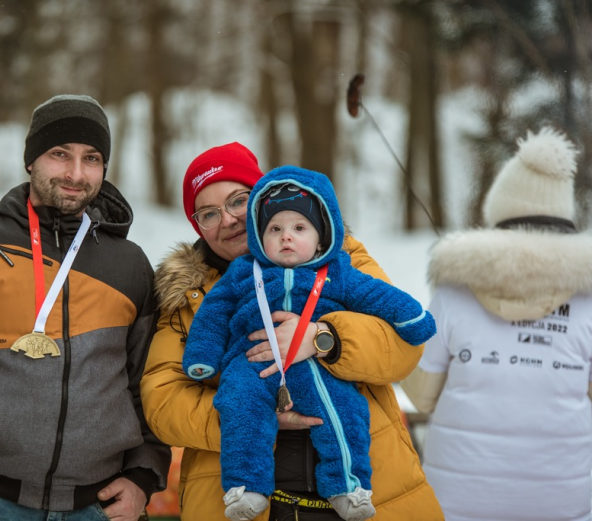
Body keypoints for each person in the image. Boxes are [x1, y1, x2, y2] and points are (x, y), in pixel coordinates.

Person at [0, 94, 171, 521]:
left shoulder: (129, 264)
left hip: (100, 507)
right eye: (60, 154)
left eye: (92, 158)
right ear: (31, 160)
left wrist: (143, 476)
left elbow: (149, 382)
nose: (76, 173)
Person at [140, 142, 443, 521]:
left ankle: (346, 481)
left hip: (375, 494)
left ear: (263, 200)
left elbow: (401, 348)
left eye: (238, 200)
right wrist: (248, 420)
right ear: (197, 225)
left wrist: (322, 338)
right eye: (209, 213)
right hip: (237, 500)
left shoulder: (340, 260)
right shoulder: (185, 294)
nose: (230, 219)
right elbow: (162, 400)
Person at [402, 127, 592, 521]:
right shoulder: (588, 302)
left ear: (499, 214)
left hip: (455, 503)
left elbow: (420, 397)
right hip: (565, 502)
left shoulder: (454, 293)